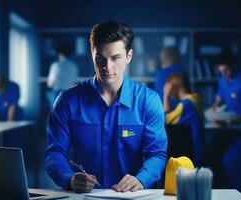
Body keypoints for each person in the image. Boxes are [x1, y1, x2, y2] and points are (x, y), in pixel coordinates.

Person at [45, 21, 168, 193]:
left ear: (129, 56)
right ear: (92, 54)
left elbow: (157, 154)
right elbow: (55, 153)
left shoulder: (148, 101)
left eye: (115, 58)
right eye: (100, 58)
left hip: (132, 196)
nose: (107, 67)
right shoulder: (67, 101)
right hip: (84, 196)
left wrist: (141, 179)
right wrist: (69, 179)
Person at [210, 50, 241, 193]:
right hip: (227, 131)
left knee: (231, 161)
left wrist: (228, 122)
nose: (226, 74)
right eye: (222, 71)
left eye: (228, 70)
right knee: (211, 155)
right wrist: (213, 109)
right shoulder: (223, 79)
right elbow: (220, 98)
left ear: (234, 66)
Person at [163, 73, 204, 165]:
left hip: (192, 154)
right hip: (198, 148)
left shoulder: (186, 105)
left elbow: (166, 119)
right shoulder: (195, 99)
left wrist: (165, 95)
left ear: (174, 88)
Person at [47, 42, 78, 107]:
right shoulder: (74, 66)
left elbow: (50, 83)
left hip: (57, 93)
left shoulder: (56, 65)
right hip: (70, 92)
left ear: (59, 53)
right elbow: (74, 81)